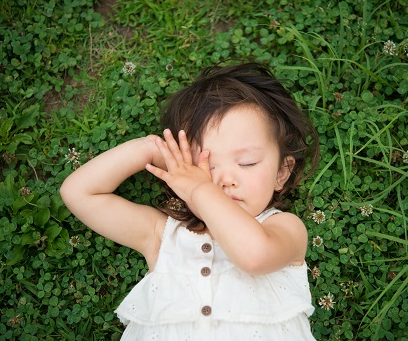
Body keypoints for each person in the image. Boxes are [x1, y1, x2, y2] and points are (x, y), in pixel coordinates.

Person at [60, 63, 320, 340]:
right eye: (206, 165)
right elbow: (79, 193)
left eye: (247, 162)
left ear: (281, 172)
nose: (225, 179)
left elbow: (254, 256)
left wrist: (200, 190)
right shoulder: (162, 236)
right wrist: (151, 150)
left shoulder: (285, 229)